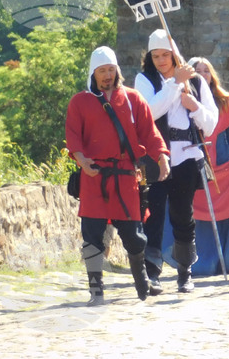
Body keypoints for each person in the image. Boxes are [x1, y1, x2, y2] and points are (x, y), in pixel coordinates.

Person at [65, 46, 170, 305]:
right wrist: (82, 160)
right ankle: (96, 291)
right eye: (102, 70)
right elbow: (73, 136)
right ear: (93, 73)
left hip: (125, 176)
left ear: (117, 70)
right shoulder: (80, 102)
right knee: (92, 237)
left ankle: (142, 281)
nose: (107, 75)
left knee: (134, 235)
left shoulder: (133, 99)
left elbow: (149, 132)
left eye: (111, 69)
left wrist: (162, 156)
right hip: (94, 177)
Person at [134, 29, 219, 294]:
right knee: (153, 215)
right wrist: (173, 84)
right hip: (155, 157)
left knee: (183, 215)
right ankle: (152, 273)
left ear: (174, 54)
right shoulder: (144, 80)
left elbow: (211, 124)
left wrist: (195, 107)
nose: (161, 60)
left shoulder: (196, 82)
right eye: (155, 56)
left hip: (187, 155)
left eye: (165, 55)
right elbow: (148, 112)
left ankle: (185, 272)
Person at [161, 57, 229, 275]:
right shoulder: (180, 100)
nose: (203, 74)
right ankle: (205, 261)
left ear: (212, 75)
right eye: (197, 70)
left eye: (206, 70)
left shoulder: (224, 102)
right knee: (195, 214)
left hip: (225, 169)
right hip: (198, 167)